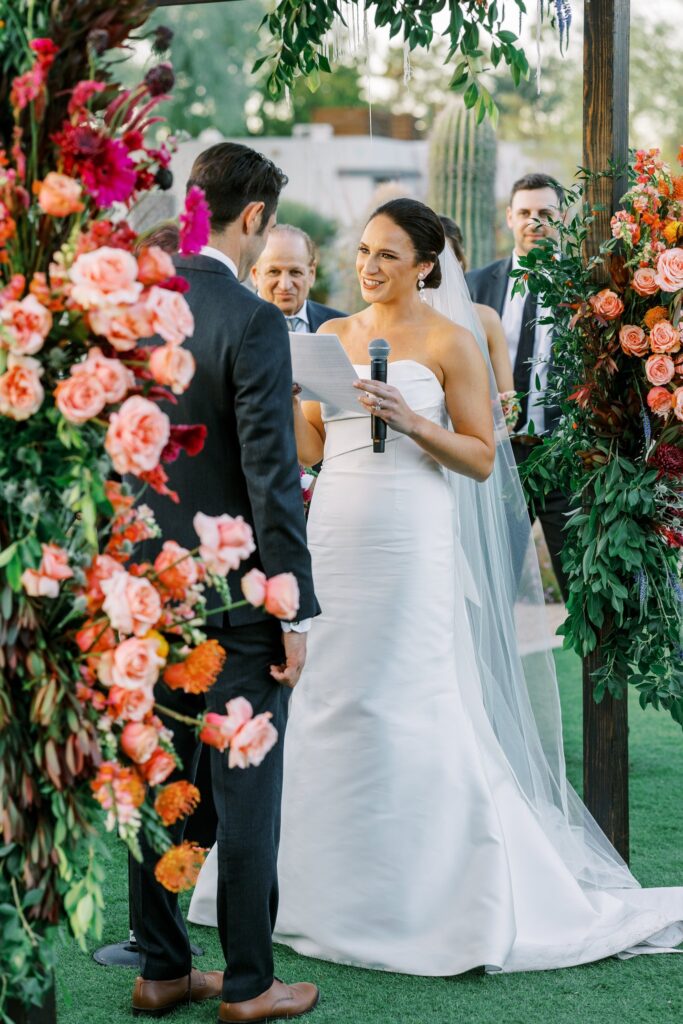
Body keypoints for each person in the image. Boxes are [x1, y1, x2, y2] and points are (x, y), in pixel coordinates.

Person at [188, 198, 683, 974]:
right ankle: (312, 894)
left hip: (411, 534)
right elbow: (315, 446)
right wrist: (285, 406)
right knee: (326, 698)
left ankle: (433, 895)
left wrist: (413, 422)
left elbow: (483, 457)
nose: (369, 266)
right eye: (362, 252)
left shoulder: (453, 340)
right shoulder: (329, 336)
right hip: (338, 531)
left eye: (387, 254)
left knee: (410, 694)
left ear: (426, 262)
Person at [128, 142, 321, 1023]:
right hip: (235, 595)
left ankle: (162, 968)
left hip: (141, 588)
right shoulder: (250, 319)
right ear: (253, 219)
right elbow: (271, 477)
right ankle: (249, 985)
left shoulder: (136, 305)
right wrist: (290, 605)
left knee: (160, 775)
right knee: (245, 789)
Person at [465, 173, 570, 600]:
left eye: (546, 213)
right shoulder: (476, 286)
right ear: (509, 217)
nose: (534, 222)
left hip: (564, 460)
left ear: (563, 218)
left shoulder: (585, 284)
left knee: (584, 595)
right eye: (525, 212)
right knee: (490, 594)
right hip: (498, 460)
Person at [439, 215, 515, 398]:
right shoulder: (399, 319)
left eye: (442, 257)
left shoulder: (487, 319)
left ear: (459, 260)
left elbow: (508, 399)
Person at [251, 224, 345, 332]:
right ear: (255, 275)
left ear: (311, 274)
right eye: (274, 272)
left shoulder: (341, 328)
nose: (285, 285)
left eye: (295, 272)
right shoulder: (232, 326)